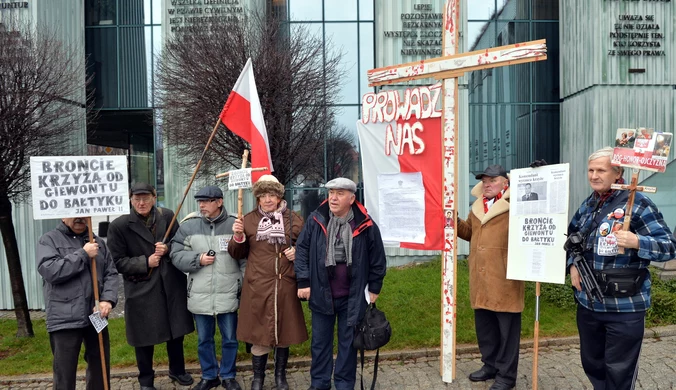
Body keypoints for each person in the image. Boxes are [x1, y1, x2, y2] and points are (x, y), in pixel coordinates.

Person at [567, 147, 676, 390]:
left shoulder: (639, 204)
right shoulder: (589, 204)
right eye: (590, 170)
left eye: (601, 170)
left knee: (619, 371)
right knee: (592, 364)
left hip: (624, 306)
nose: (594, 176)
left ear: (618, 173)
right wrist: (573, 264)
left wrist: (638, 242)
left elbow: (669, 248)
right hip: (589, 302)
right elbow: (572, 236)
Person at [295, 177, 387, 390]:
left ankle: (345, 384)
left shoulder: (365, 223)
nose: (333, 198)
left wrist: (375, 287)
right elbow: (302, 250)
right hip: (321, 293)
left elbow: (377, 258)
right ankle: (319, 383)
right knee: (320, 344)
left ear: (352, 198)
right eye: (331, 193)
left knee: (348, 344)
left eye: (339, 194)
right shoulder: (316, 219)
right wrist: (304, 281)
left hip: (352, 296)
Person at [106, 183, 195, 390]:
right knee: (143, 338)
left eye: (146, 198)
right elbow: (117, 262)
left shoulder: (168, 216)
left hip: (171, 285)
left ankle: (178, 370)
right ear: (130, 200)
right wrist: (144, 262)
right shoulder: (119, 226)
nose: (141, 202)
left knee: (176, 333)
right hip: (141, 288)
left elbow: (182, 244)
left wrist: (168, 248)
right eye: (137, 199)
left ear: (154, 198)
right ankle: (146, 380)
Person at [229, 175, 307, 390]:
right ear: (258, 198)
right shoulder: (248, 220)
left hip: (285, 285)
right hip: (258, 286)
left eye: (271, 195)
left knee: (284, 332)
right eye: (263, 196)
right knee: (259, 335)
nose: (267, 200)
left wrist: (298, 252)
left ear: (279, 196)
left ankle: (280, 377)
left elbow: (309, 246)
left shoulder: (294, 219)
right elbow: (236, 253)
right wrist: (237, 236)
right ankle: (258, 378)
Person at [170, 185, 245, 390]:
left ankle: (228, 376)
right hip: (199, 293)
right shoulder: (188, 226)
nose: (201, 205)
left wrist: (245, 286)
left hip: (229, 291)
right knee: (204, 340)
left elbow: (245, 259)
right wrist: (197, 259)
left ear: (219, 202)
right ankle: (209, 375)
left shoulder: (235, 225)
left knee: (230, 338)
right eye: (199, 201)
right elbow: (175, 254)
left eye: (206, 201)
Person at [457, 164, 523, 390]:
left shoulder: (516, 204)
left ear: (505, 183)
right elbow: (469, 232)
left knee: (507, 331)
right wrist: (454, 221)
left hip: (505, 277)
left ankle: (506, 375)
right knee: (485, 327)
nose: (487, 184)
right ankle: (490, 365)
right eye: (484, 180)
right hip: (480, 276)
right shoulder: (478, 205)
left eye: (492, 180)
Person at [37, 217, 119, 390]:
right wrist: (83, 254)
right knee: (64, 374)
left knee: (100, 368)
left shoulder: (97, 242)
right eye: (74, 213)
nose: (80, 218)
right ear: (63, 215)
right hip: (64, 317)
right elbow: (51, 271)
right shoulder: (49, 239)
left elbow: (110, 273)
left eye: (84, 213)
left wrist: (107, 299)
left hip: (96, 315)